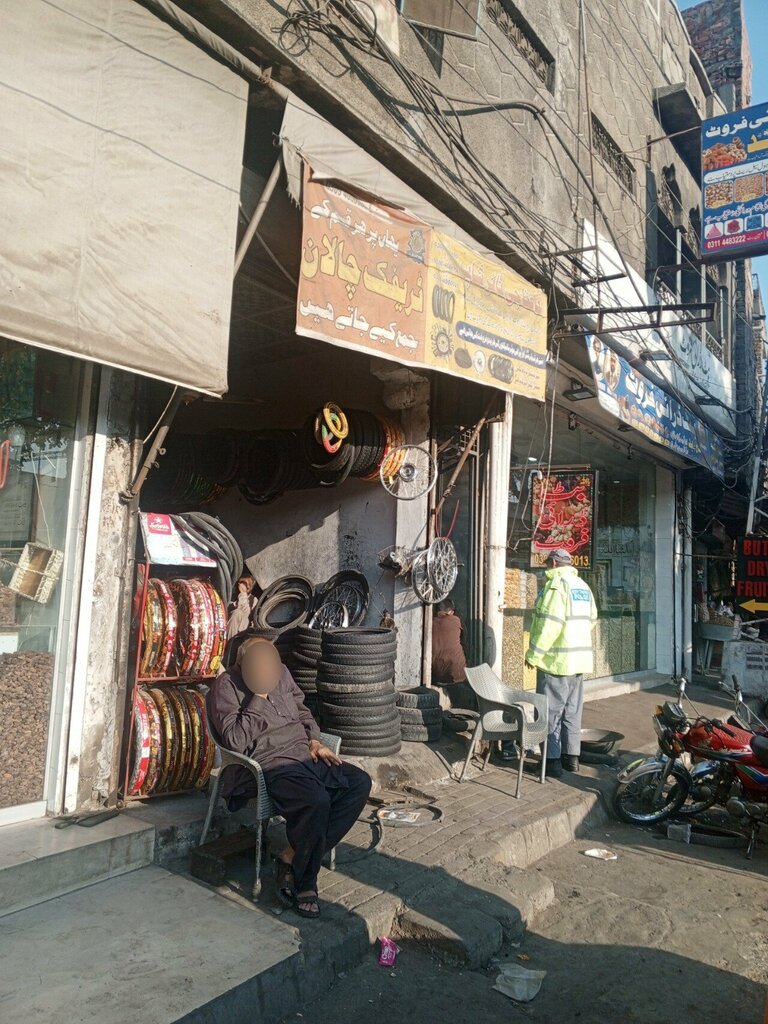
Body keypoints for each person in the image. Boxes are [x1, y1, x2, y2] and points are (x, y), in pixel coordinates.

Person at [207, 637, 372, 919]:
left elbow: (302, 709)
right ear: (243, 663)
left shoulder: (282, 673)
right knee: (317, 802)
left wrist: (316, 741)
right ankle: (305, 882)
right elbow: (234, 741)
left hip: (305, 754)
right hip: (272, 763)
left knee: (359, 783)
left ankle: (292, 855)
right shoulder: (225, 686)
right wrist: (257, 696)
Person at [525, 549, 597, 779]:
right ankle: (571, 758)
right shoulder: (582, 586)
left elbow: (549, 625)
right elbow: (592, 619)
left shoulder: (556, 586)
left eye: (548, 564)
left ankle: (551, 763)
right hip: (578, 661)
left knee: (548, 713)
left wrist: (534, 655)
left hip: (556, 662)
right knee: (572, 712)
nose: (547, 567)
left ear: (554, 563)